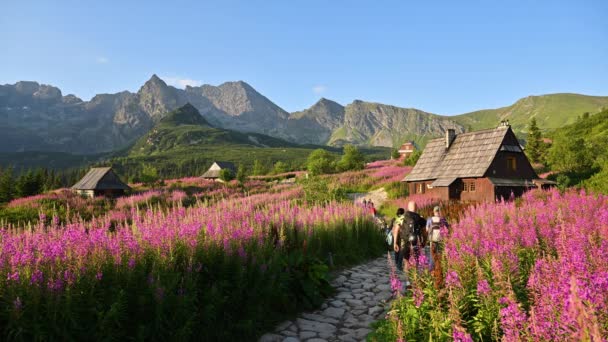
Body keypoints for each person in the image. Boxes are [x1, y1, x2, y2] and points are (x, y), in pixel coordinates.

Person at [392, 201, 426, 272]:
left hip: (405, 242)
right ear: (416, 208)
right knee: (416, 261)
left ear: (408, 207)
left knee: (406, 261)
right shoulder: (420, 218)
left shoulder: (402, 217)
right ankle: (414, 278)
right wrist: (424, 241)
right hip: (416, 242)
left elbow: (396, 230)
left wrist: (395, 243)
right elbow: (424, 232)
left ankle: (407, 279)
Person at [425, 206, 449, 288]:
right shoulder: (443, 219)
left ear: (433, 211)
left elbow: (427, 229)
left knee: (432, 255)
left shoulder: (429, 219)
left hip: (432, 240)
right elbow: (448, 229)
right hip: (441, 240)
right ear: (440, 211)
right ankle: (441, 271)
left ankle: (431, 272)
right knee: (440, 256)